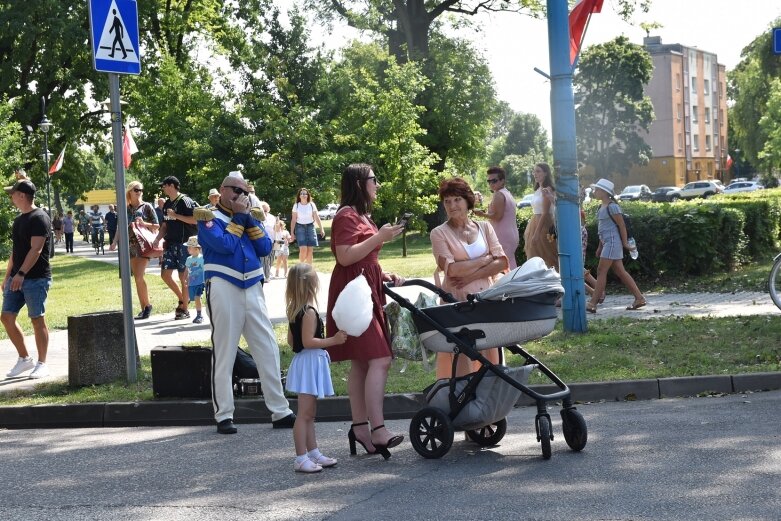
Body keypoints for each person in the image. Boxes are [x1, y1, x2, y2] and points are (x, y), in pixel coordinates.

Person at [197, 171, 295, 434]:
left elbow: (264, 247)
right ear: (223, 190)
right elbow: (224, 245)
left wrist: (247, 218)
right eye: (237, 191)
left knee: (267, 348)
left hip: (252, 285)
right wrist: (241, 217)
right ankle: (224, 415)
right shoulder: (207, 217)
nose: (242, 196)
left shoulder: (251, 216)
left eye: (245, 192)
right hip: (224, 285)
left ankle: (280, 410)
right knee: (225, 350)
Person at [325, 163, 405, 459]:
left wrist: (383, 275)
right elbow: (345, 257)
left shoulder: (361, 215)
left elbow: (364, 257)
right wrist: (379, 237)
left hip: (365, 289)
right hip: (353, 295)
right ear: (359, 183)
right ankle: (378, 429)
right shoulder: (346, 215)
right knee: (381, 358)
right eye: (374, 179)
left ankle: (360, 427)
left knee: (362, 363)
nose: (378, 184)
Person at [430, 177, 509, 379]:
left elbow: (502, 262)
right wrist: (486, 259)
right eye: (447, 201)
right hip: (457, 301)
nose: (452, 206)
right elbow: (452, 270)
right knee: (463, 353)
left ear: (467, 201)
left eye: (456, 200)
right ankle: (462, 400)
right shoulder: (438, 233)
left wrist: (472, 274)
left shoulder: (485, 227)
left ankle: (492, 401)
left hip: (486, 299)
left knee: (491, 352)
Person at [285, 263, 347, 473]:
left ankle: (313, 452)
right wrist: (334, 340)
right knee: (304, 414)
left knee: (309, 413)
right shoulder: (309, 312)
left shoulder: (294, 310)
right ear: (311, 284)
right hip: (310, 363)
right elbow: (308, 341)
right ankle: (301, 457)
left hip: (306, 362)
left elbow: (291, 342)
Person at [2, 179, 52, 379]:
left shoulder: (40, 217)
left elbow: (36, 249)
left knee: (36, 319)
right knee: (6, 317)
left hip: (36, 278)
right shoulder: (19, 220)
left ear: (22, 195)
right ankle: (24, 359)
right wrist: (8, 276)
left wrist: (21, 274)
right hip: (17, 278)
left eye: (13, 193)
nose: (11, 197)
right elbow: (16, 252)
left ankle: (42, 363)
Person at [586, 178, 646, 314]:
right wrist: (600, 246)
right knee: (620, 271)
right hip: (607, 243)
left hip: (613, 242)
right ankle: (639, 298)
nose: (594, 192)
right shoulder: (601, 207)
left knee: (601, 270)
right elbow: (602, 229)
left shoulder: (613, 206)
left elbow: (621, 225)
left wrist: (624, 243)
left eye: (596, 189)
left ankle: (593, 303)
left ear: (604, 192)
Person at [110, 181, 160, 320]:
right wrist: (114, 242)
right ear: (130, 191)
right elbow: (121, 227)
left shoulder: (147, 207)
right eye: (136, 189)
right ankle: (144, 307)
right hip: (129, 246)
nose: (139, 192)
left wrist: (145, 224)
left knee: (138, 276)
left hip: (143, 245)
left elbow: (157, 226)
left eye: (141, 190)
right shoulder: (125, 208)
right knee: (137, 278)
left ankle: (147, 306)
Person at [152, 176, 198, 320]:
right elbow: (165, 224)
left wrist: (176, 215)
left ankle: (184, 309)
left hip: (185, 244)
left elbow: (195, 220)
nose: (162, 188)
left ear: (172, 185)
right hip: (171, 244)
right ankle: (183, 299)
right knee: (165, 275)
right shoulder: (166, 204)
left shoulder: (185, 201)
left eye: (164, 185)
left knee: (183, 277)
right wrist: (158, 238)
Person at [473, 166, 519, 269]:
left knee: (501, 265)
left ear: (502, 180)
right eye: (488, 181)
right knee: (509, 263)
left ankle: (507, 284)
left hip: (502, 235)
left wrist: (482, 214)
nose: (491, 184)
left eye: (494, 180)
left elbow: (498, 217)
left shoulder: (499, 195)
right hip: (511, 234)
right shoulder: (507, 193)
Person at [523, 163, 558, 269]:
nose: (535, 174)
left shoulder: (548, 190)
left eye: (538, 171)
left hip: (544, 225)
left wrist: (537, 233)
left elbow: (545, 213)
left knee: (548, 256)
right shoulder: (538, 190)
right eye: (534, 171)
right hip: (534, 222)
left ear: (546, 173)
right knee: (535, 255)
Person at [290, 187, 325, 266]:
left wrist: (321, 229)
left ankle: (309, 270)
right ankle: (301, 268)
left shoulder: (312, 205)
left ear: (308, 195)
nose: (303, 195)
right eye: (301, 194)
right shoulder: (296, 205)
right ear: (299, 196)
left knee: (310, 250)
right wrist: (292, 233)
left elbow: (316, 217)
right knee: (303, 249)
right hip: (300, 227)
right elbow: (293, 220)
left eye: (305, 194)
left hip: (310, 227)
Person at [184, 235, 205, 324]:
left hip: (200, 282)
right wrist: (185, 278)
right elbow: (186, 270)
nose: (188, 249)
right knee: (194, 298)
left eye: (190, 248)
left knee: (197, 297)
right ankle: (198, 314)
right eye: (188, 247)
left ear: (197, 249)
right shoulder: (188, 259)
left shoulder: (202, 258)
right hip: (192, 283)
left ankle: (199, 315)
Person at [260, 201, 276, 279]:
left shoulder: (272, 217)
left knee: (271, 258)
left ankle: (268, 271)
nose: (264, 212)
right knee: (265, 259)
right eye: (263, 210)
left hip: (272, 240)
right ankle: (266, 276)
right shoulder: (258, 217)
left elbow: (275, 229)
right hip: (263, 241)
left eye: (266, 210)